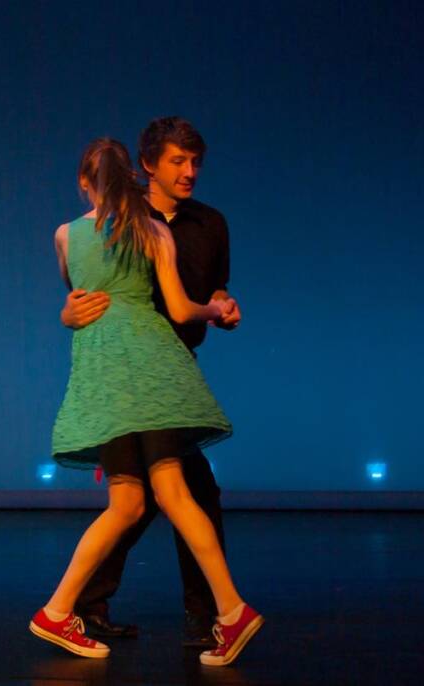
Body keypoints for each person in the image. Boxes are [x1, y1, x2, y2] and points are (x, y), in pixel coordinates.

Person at [29, 138, 262, 666]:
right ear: (133, 178)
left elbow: (78, 293)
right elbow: (179, 310)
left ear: (84, 182)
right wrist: (216, 310)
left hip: (101, 373)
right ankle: (230, 611)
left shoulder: (65, 234)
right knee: (174, 495)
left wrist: (73, 315)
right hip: (150, 370)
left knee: (131, 502)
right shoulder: (151, 229)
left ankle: (60, 609)